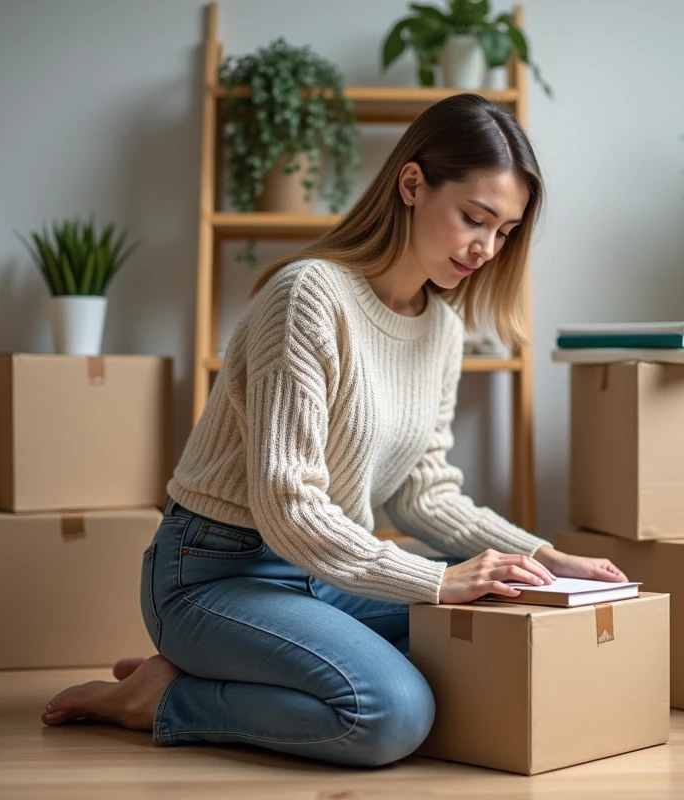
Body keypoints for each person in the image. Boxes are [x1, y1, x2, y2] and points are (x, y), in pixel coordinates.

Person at [40, 93, 628, 768]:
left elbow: (424, 493)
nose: (486, 249)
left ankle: (214, 669)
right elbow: (288, 507)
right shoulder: (308, 296)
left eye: (505, 232)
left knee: (501, 620)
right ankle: (163, 700)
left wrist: (544, 559)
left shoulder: (441, 328)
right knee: (392, 713)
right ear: (412, 184)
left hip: (328, 570)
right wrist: (438, 583)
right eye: (475, 218)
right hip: (216, 572)